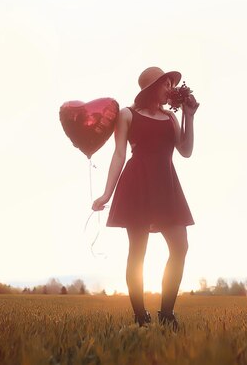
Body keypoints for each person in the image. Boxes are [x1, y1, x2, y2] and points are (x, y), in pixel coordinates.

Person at [92, 66, 199, 329]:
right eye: (166, 85)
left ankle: (167, 313)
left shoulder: (170, 118)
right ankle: (140, 316)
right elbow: (119, 154)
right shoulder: (127, 114)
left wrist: (189, 116)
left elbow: (185, 151)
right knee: (137, 252)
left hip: (166, 184)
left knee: (180, 246)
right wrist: (107, 193)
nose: (171, 90)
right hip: (137, 183)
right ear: (153, 87)